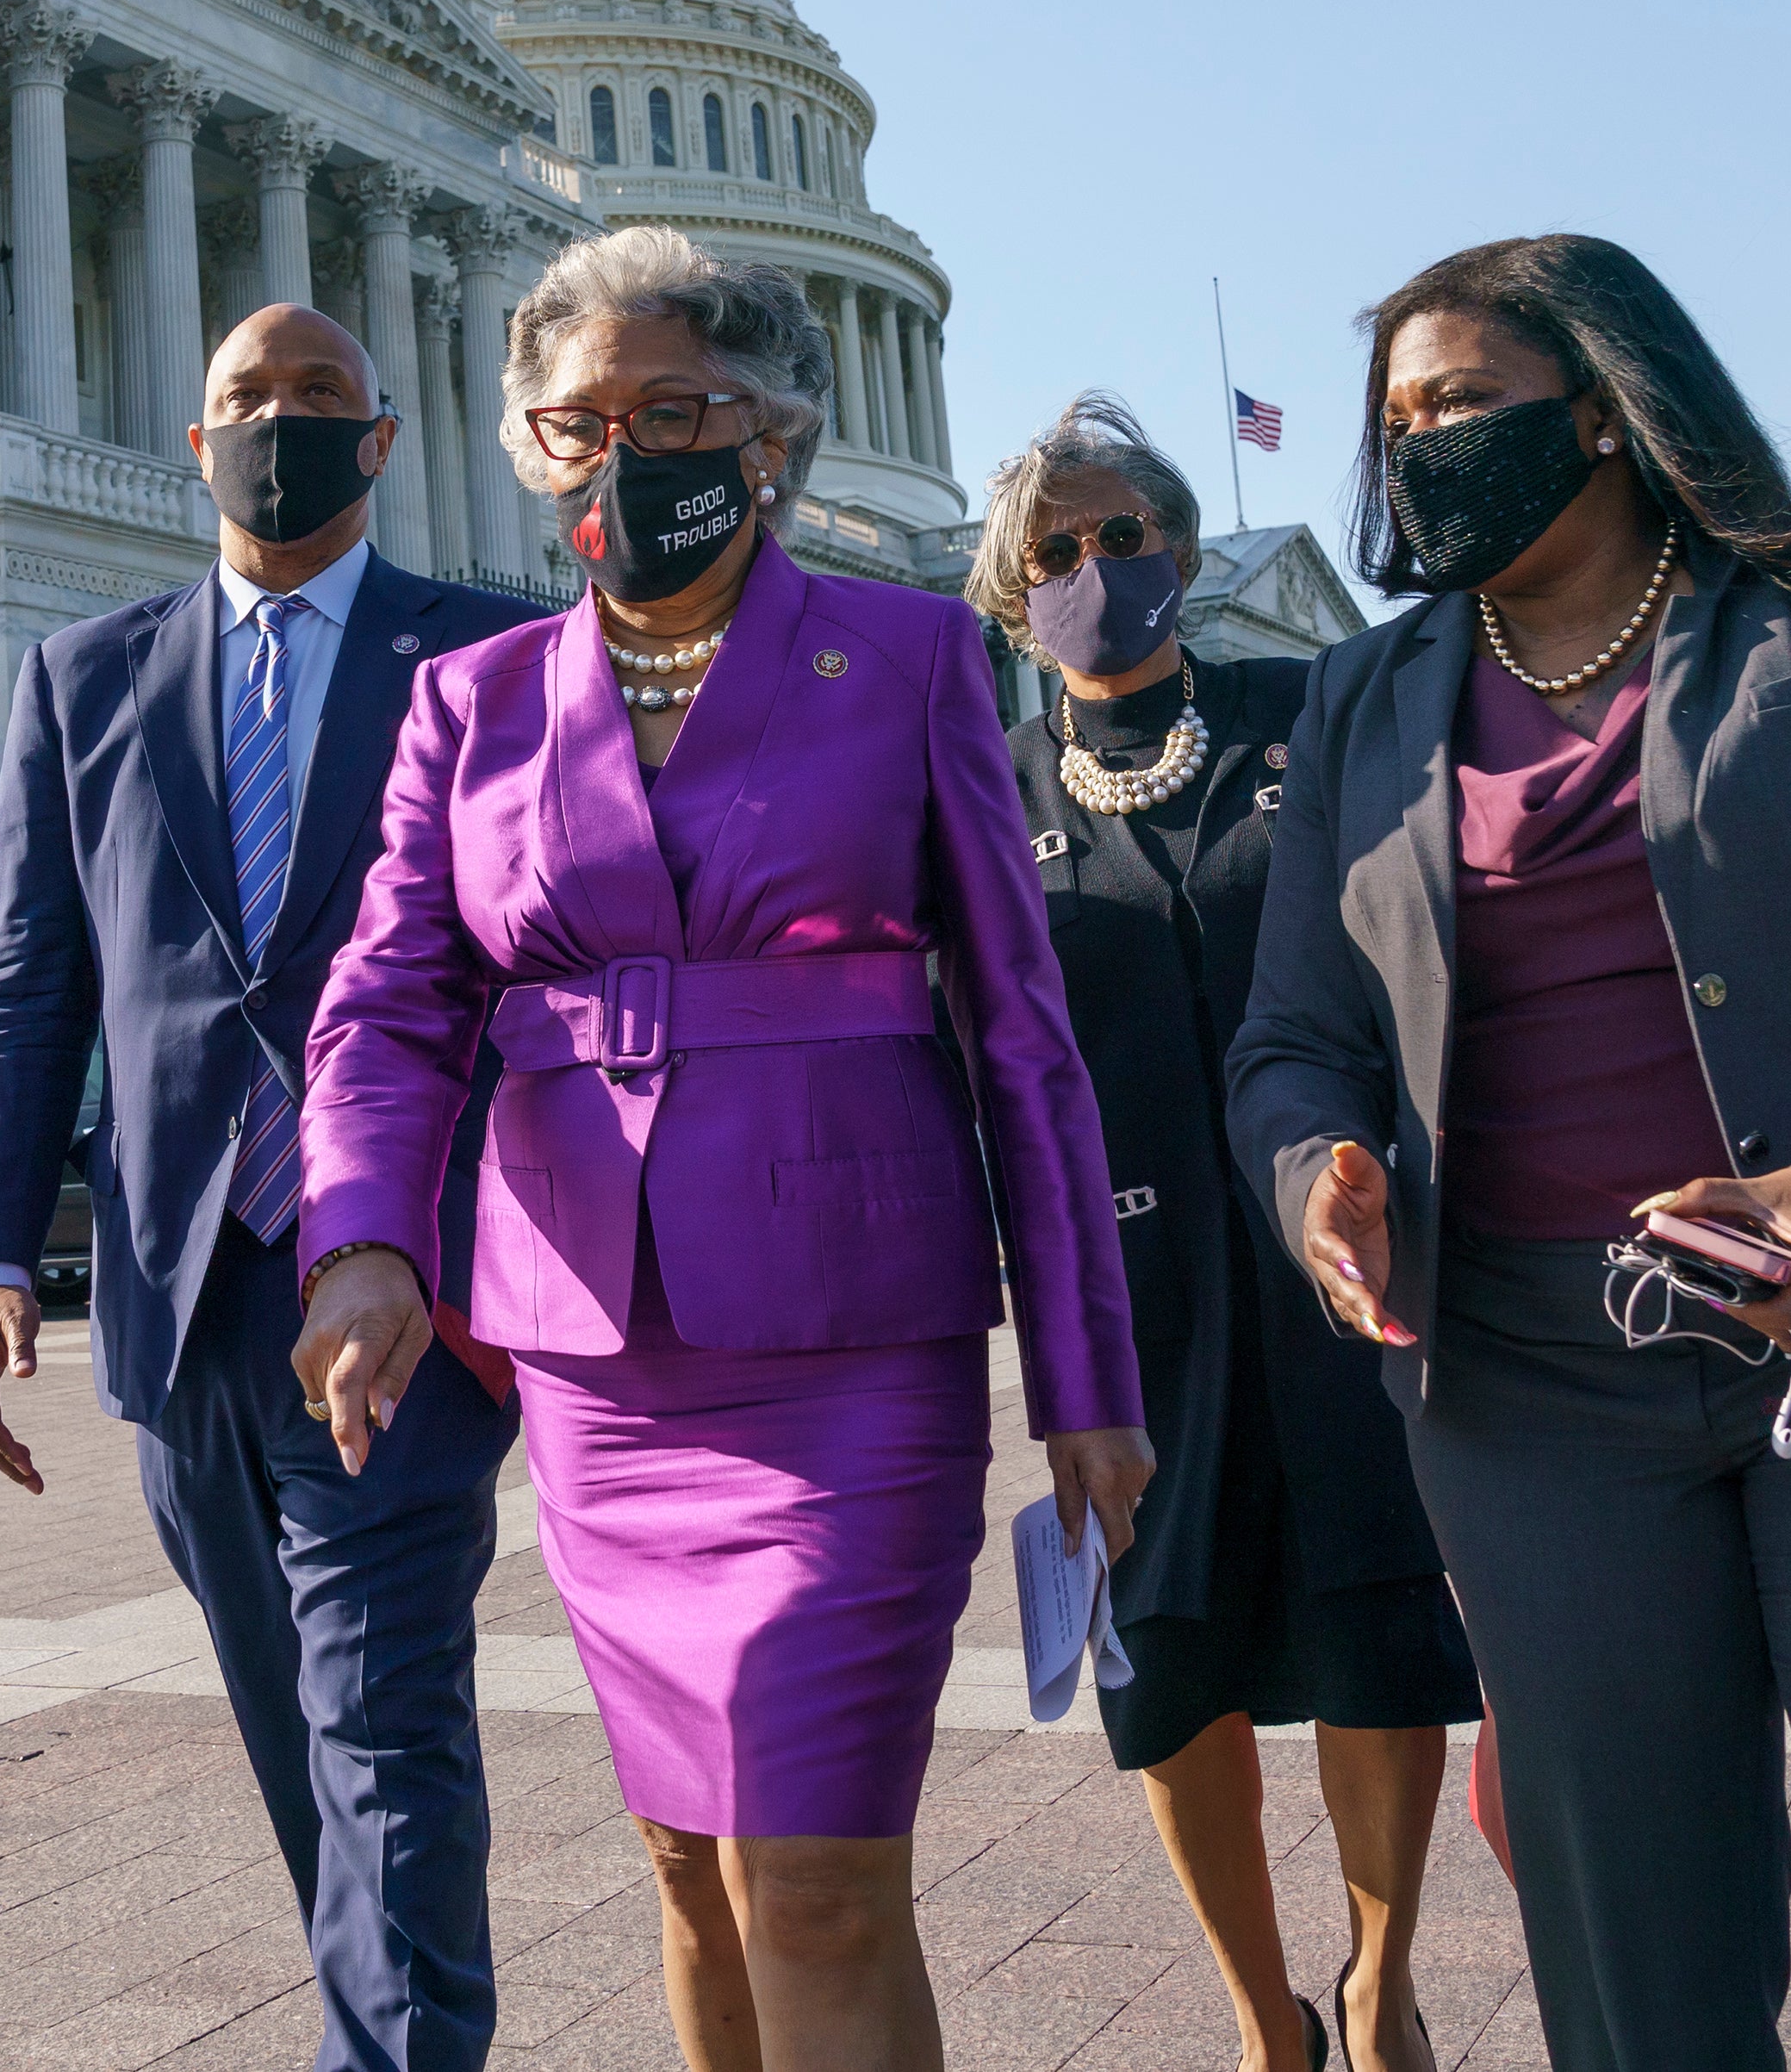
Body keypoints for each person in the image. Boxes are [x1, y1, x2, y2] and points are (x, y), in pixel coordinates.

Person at [1225, 233, 1791, 2072]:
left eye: (1459, 404)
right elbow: (1294, 1038)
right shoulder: (1362, 697)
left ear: (1609, 412)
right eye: (1391, 421)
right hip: (1535, 1399)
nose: (1414, 450)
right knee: (1638, 1982)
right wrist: (1318, 1166)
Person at [289, 227, 1152, 2072]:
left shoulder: (910, 653)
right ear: (527, 444)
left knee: (822, 1876)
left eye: (673, 408)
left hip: (855, 1348)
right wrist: (360, 1234)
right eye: (575, 421)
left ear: (771, 431)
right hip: (601, 1364)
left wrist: (1087, 1375)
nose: (623, 454)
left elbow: (1022, 1036)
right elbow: (386, 1000)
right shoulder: (473, 700)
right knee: (688, 1866)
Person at [0, 302, 535, 2072]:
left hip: (400, 1276)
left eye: (317, 396)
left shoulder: (492, 658)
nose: (276, 419)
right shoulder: (85, 674)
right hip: (175, 1282)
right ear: (192, 442)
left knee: (380, 1711)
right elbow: (24, 981)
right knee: (292, 1723)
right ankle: (386, 2008)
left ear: (379, 439)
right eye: (241, 399)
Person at [975, 395, 1476, 2072]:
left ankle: (1377, 1975)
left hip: (1331, 1248)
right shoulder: (979, 785)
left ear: (1182, 550)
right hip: (1131, 1298)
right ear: (1006, 586)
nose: (1094, 569)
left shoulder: (1304, 710)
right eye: (1056, 550)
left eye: (1122, 536)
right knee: (1170, 1658)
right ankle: (1265, 2014)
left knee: (1374, 1625)